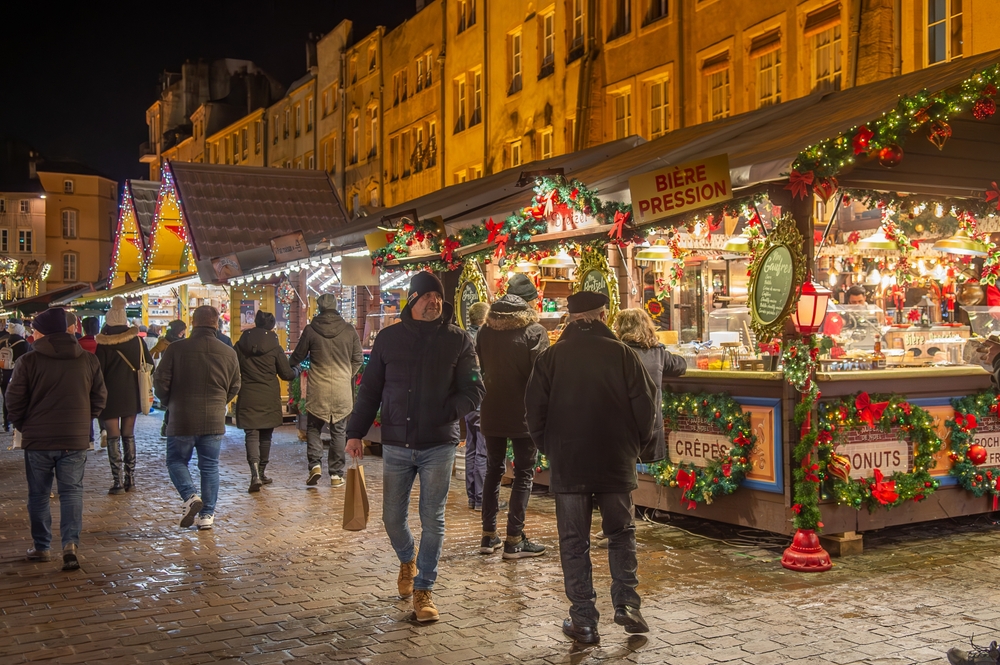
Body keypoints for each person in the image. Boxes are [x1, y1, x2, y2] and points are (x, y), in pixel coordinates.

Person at [346, 272, 485, 623]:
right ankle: (408, 559)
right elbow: (370, 390)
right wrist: (354, 432)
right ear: (412, 300)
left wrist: (448, 411)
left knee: (432, 519)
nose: (433, 302)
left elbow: (474, 388)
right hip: (396, 443)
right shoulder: (389, 339)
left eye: (437, 297)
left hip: (439, 443)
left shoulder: (458, 340)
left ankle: (424, 588)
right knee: (392, 517)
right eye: (426, 296)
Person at [525, 291, 657, 644]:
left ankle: (583, 618)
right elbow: (646, 409)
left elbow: (533, 412)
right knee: (621, 534)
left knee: (574, 542)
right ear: (602, 314)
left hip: (569, 463)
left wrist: (550, 448)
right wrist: (634, 448)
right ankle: (627, 604)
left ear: (571, 318)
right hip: (616, 459)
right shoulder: (623, 354)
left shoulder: (550, 357)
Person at [6, 308, 106, 571]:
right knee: (71, 492)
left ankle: (42, 546)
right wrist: (84, 421)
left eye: (35, 329)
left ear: (42, 332)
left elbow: (13, 400)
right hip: (74, 439)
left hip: (38, 439)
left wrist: (24, 425)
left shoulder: (29, 361)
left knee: (38, 494)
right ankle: (70, 545)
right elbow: (100, 398)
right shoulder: (87, 360)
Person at [476, 273, 549, 558]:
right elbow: (541, 376)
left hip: (491, 410)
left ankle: (488, 536)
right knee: (523, 474)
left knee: (493, 470)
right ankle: (514, 539)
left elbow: (480, 367)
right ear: (529, 303)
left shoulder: (485, 330)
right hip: (523, 414)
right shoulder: (534, 331)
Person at [154, 306, 240, 530]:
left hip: (182, 415)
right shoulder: (228, 352)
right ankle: (207, 516)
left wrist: (168, 400)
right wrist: (220, 401)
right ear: (216, 324)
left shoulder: (176, 349)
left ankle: (190, 496)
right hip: (213, 418)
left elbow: (160, 381)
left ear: (193, 323)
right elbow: (235, 385)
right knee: (210, 466)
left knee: (176, 460)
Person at [289, 293, 363, 488]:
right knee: (339, 430)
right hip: (341, 389)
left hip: (318, 388)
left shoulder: (311, 330)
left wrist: (293, 367)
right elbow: (358, 359)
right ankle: (336, 474)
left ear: (319, 308)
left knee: (313, 427)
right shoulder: (349, 330)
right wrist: (347, 374)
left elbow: (297, 356)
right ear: (336, 306)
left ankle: (315, 465)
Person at [95, 296, 154, 495]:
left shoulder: (103, 345)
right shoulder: (137, 342)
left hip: (109, 396)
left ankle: (117, 481)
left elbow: (98, 373)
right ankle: (131, 479)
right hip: (132, 394)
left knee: (113, 436)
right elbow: (149, 365)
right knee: (128, 435)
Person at [613, 308, 686, 462]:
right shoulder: (657, 352)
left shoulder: (615, 353)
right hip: (651, 430)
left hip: (622, 431)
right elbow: (680, 366)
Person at [235, 310, 297, 492]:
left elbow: (232, 366)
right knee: (265, 436)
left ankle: (254, 472)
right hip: (268, 395)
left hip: (247, 393)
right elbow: (286, 374)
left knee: (251, 434)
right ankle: (262, 472)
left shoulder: (240, 344)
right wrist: (296, 371)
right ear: (271, 326)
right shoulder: (275, 346)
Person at [464, 300, 490, 511]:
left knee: (471, 449)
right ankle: (482, 498)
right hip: (482, 401)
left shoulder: (463, 337)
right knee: (483, 451)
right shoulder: (486, 338)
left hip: (467, 401)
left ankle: (472, 496)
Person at [150, 320, 186, 437]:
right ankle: (167, 426)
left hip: (181, 373)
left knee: (176, 403)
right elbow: (152, 353)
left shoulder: (185, 341)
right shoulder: (165, 342)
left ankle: (170, 426)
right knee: (172, 403)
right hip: (169, 374)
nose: (184, 331)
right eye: (182, 329)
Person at [1, 321, 31, 431]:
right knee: (19, 398)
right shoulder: (24, 343)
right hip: (18, 374)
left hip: (4, 374)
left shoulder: (3, 341)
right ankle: (15, 422)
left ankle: (6, 423)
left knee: (6, 398)